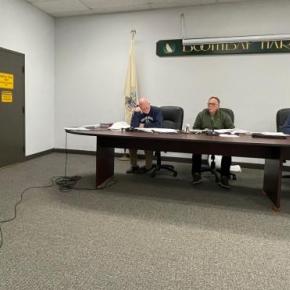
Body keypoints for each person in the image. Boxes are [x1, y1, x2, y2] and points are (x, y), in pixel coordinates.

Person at [192, 96, 234, 189]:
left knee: (228, 151)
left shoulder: (224, 115)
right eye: (209, 104)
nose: (210, 106)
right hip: (204, 140)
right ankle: (196, 173)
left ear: (218, 106)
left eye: (213, 104)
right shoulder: (202, 114)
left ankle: (224, 176)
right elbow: (195, 128)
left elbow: (231, 129)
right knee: (196, 148)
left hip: (220, 142)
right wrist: (203, 131)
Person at [126, 97, 163, 174]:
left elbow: (159, 125)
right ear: (140, 107)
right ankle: (134, 166)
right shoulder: (138, 112)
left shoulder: (157, 111)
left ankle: (148, 167)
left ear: (149, 104)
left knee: (148, 145)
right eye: (143, 108)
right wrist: (136, 113)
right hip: (139, 136)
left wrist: (143, 125)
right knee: (131, 144)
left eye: (147, 107)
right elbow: (133, 126)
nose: (146, 110)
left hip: (152, 136)